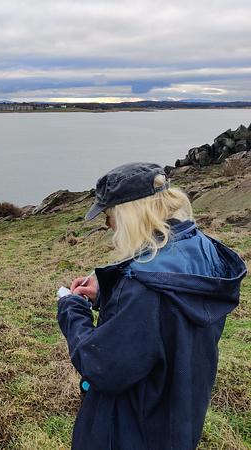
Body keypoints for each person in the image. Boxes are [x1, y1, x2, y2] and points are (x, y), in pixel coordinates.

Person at [56, 162, 247, 450]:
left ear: (130, 213)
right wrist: (108, 291)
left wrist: (72, 308)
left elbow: (103, 367)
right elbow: (163, 321)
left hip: (129, 431)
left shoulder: (144, 290)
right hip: (176, 419)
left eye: (109, 215)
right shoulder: (203, 250)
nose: (109, 226)